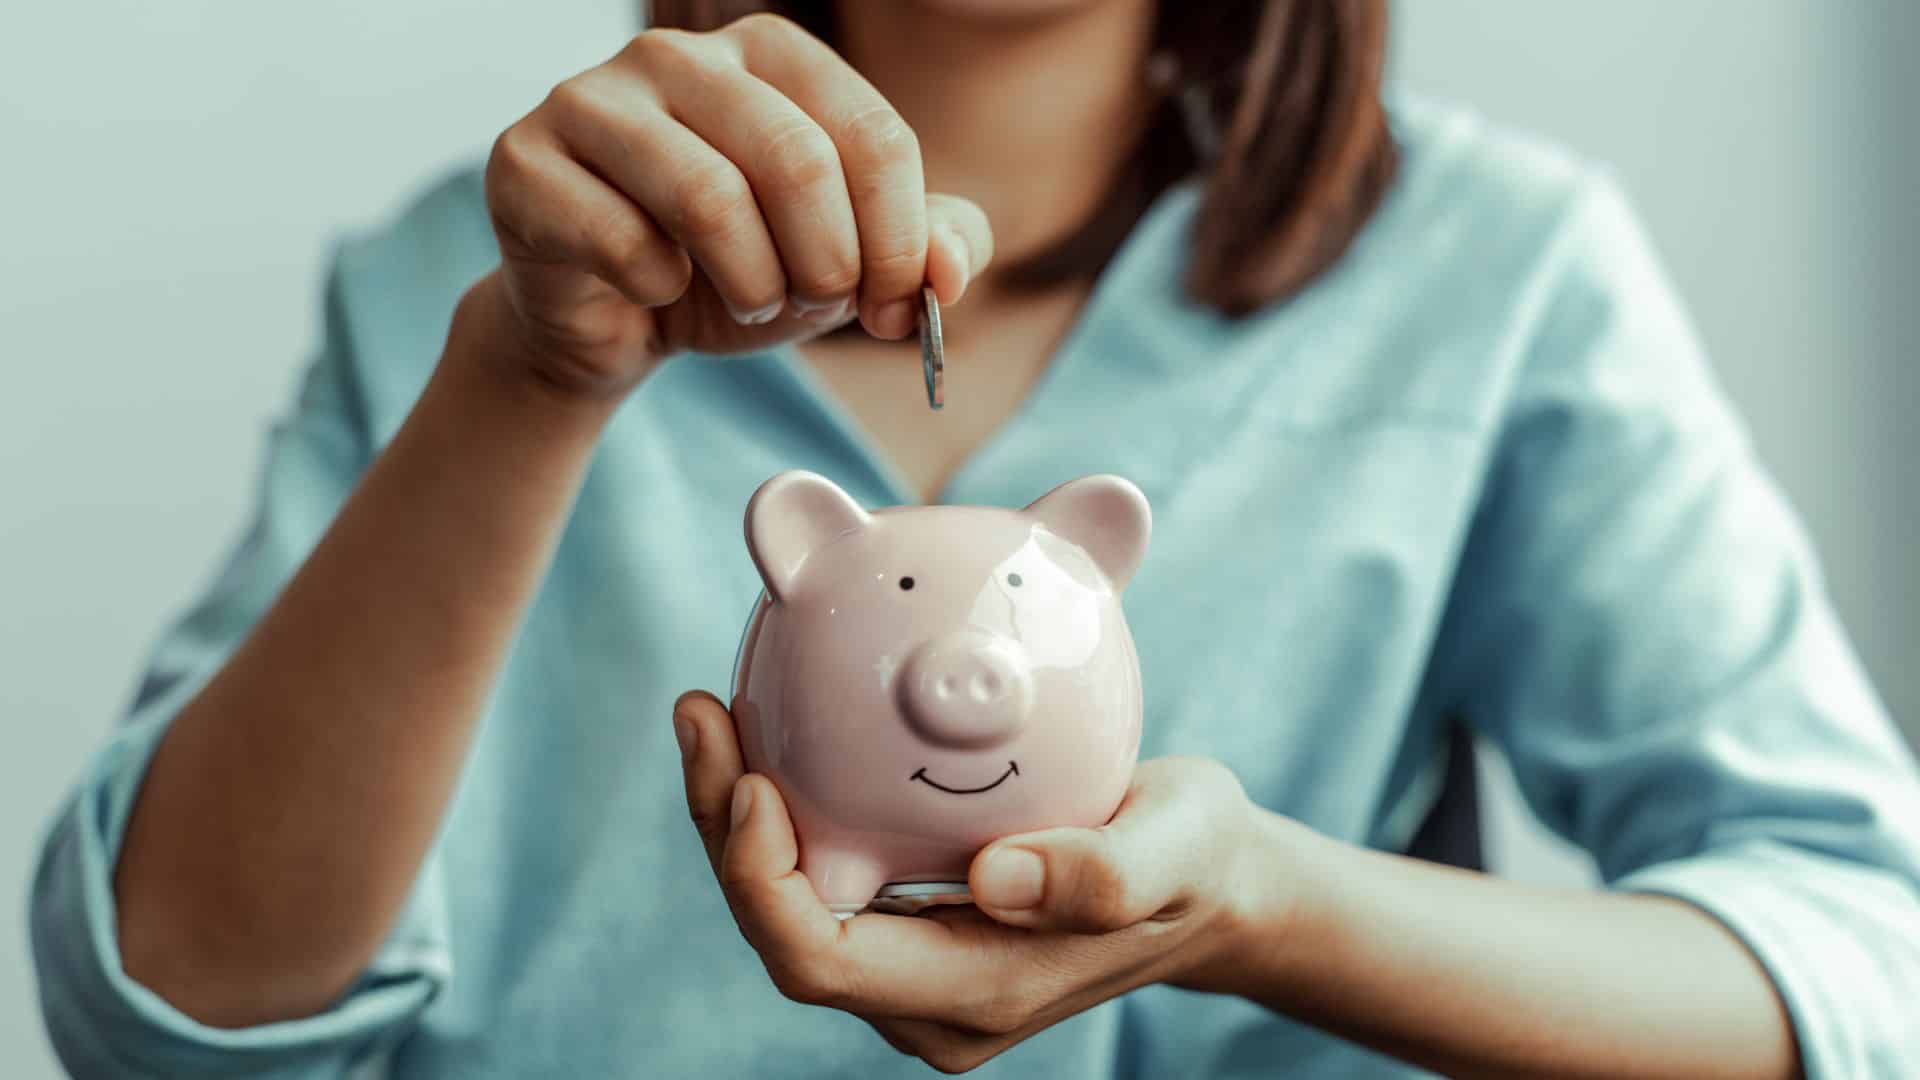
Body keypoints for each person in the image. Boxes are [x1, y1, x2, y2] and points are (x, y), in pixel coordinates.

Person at [29, 1, 1920, 1076]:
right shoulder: (471, 292)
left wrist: (1272, 905)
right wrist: (525, 384)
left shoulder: (1498, 282)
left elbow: (1864, 960)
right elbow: (167, 1013)